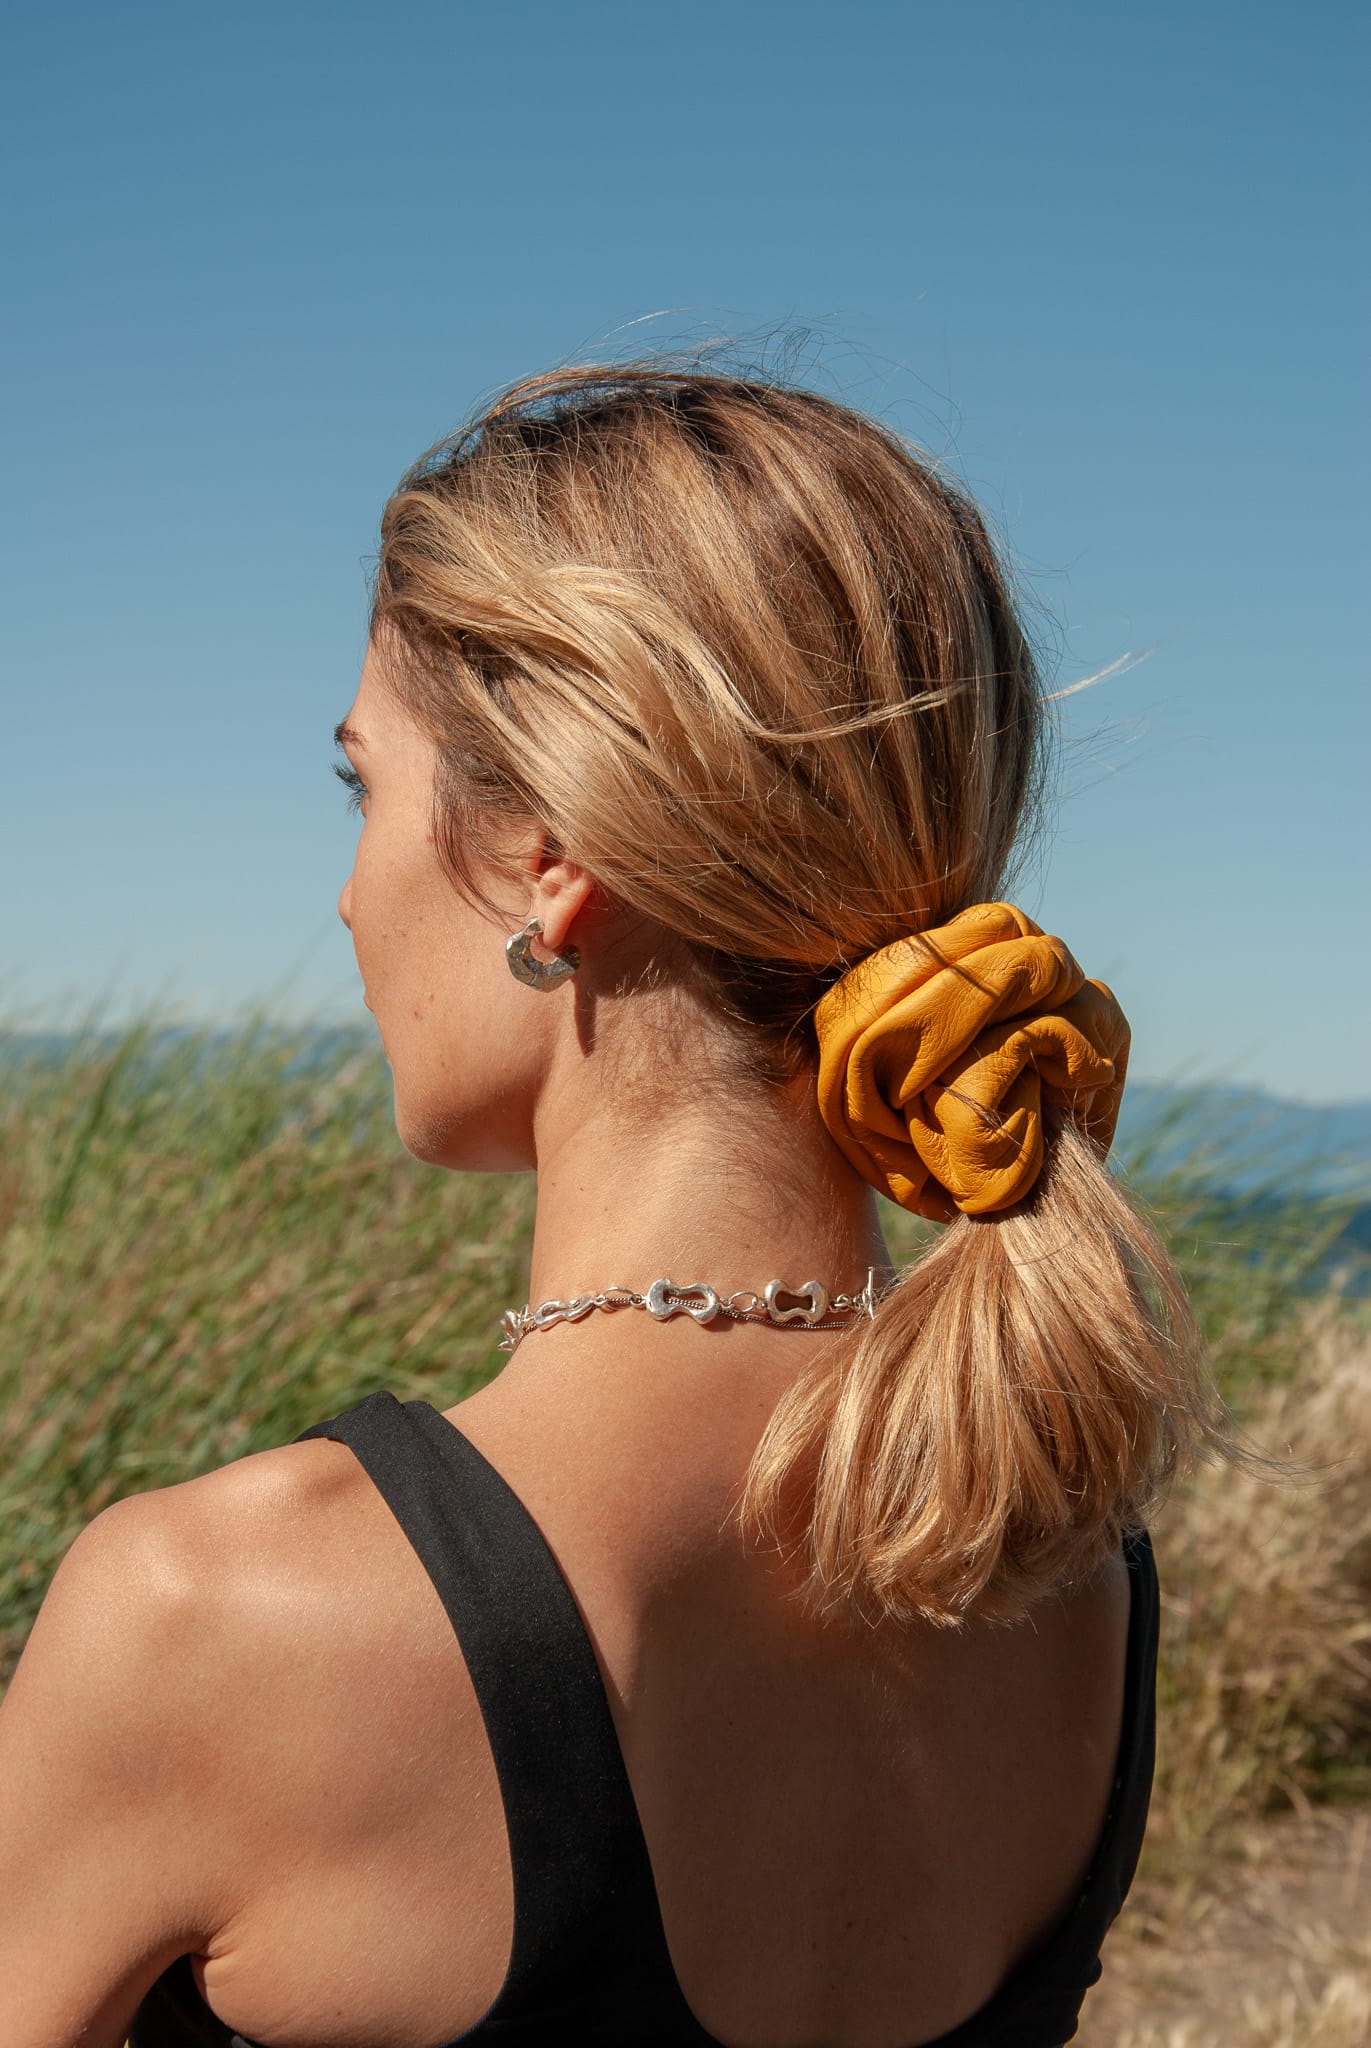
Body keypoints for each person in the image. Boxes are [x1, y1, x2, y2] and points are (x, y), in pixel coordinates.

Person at [0, 364, 1224, 2048]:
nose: (347, 895)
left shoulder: (212, 1616)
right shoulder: (1062, 1574)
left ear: (553, 858)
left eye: (364, 786)